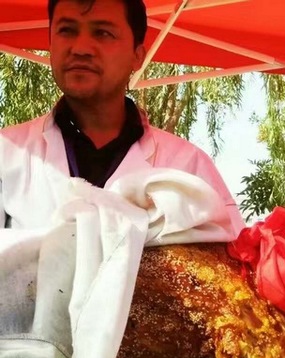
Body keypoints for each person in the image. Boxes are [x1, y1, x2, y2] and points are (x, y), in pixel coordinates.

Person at [0, 0, 244, 234]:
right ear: (50, 44)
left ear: (137, 56)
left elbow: (233, 264)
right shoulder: (7, 153)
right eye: (67, 30)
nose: (81, 48)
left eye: (103, 33)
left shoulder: (187, 166)